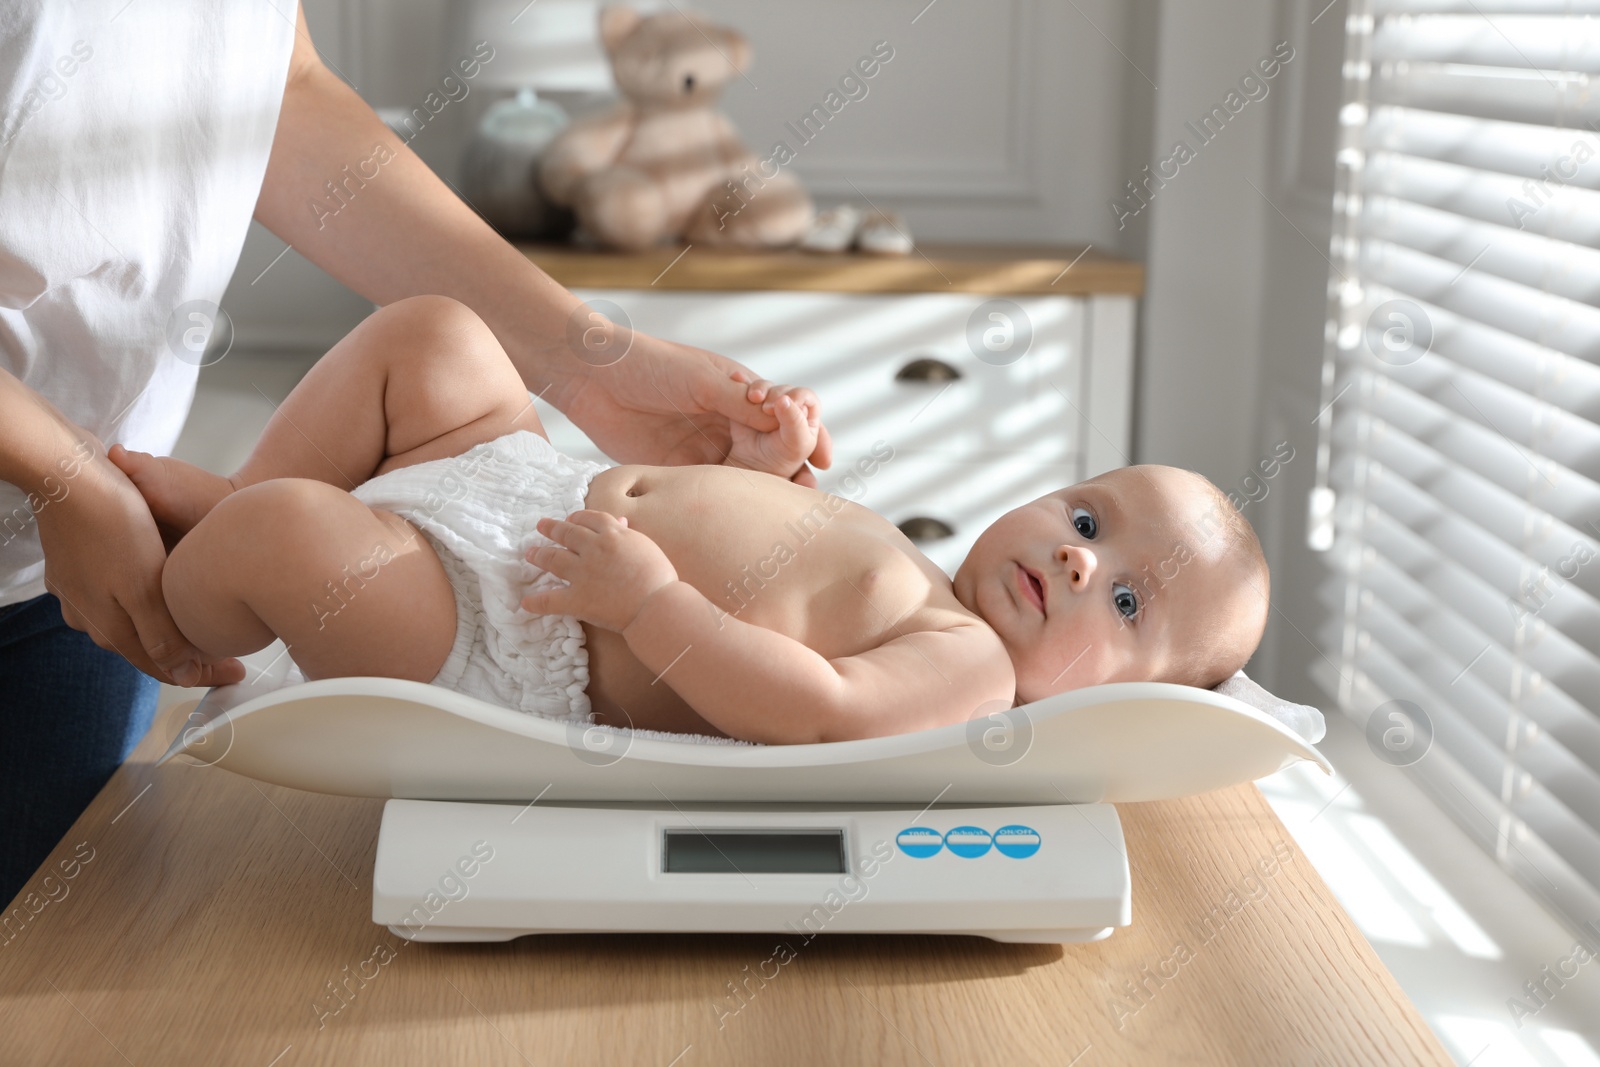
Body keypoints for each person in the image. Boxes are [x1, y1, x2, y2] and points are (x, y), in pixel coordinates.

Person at [0, 3, 830, 904]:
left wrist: (592, 368)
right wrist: (56, 470)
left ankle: (226, 528)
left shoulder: (975, 664)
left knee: (403, 377)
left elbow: (276, 88)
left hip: (96, 553)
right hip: (81, 507)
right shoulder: (967, 628)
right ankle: (224, 536)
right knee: (385, 401)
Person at [113, 294, 1272, 745]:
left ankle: (187, 605)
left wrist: (651, 602)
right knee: (433, 336)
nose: (1079, 555)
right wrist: (767, 476)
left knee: (292, 543)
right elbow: (783, 582)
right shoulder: (920, 575)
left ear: (1125, 699)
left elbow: (815, 706)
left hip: (519, 626)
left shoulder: (965, 669)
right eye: (1089, 513)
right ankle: (232, 502)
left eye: (1125, 597)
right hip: (528, 495)